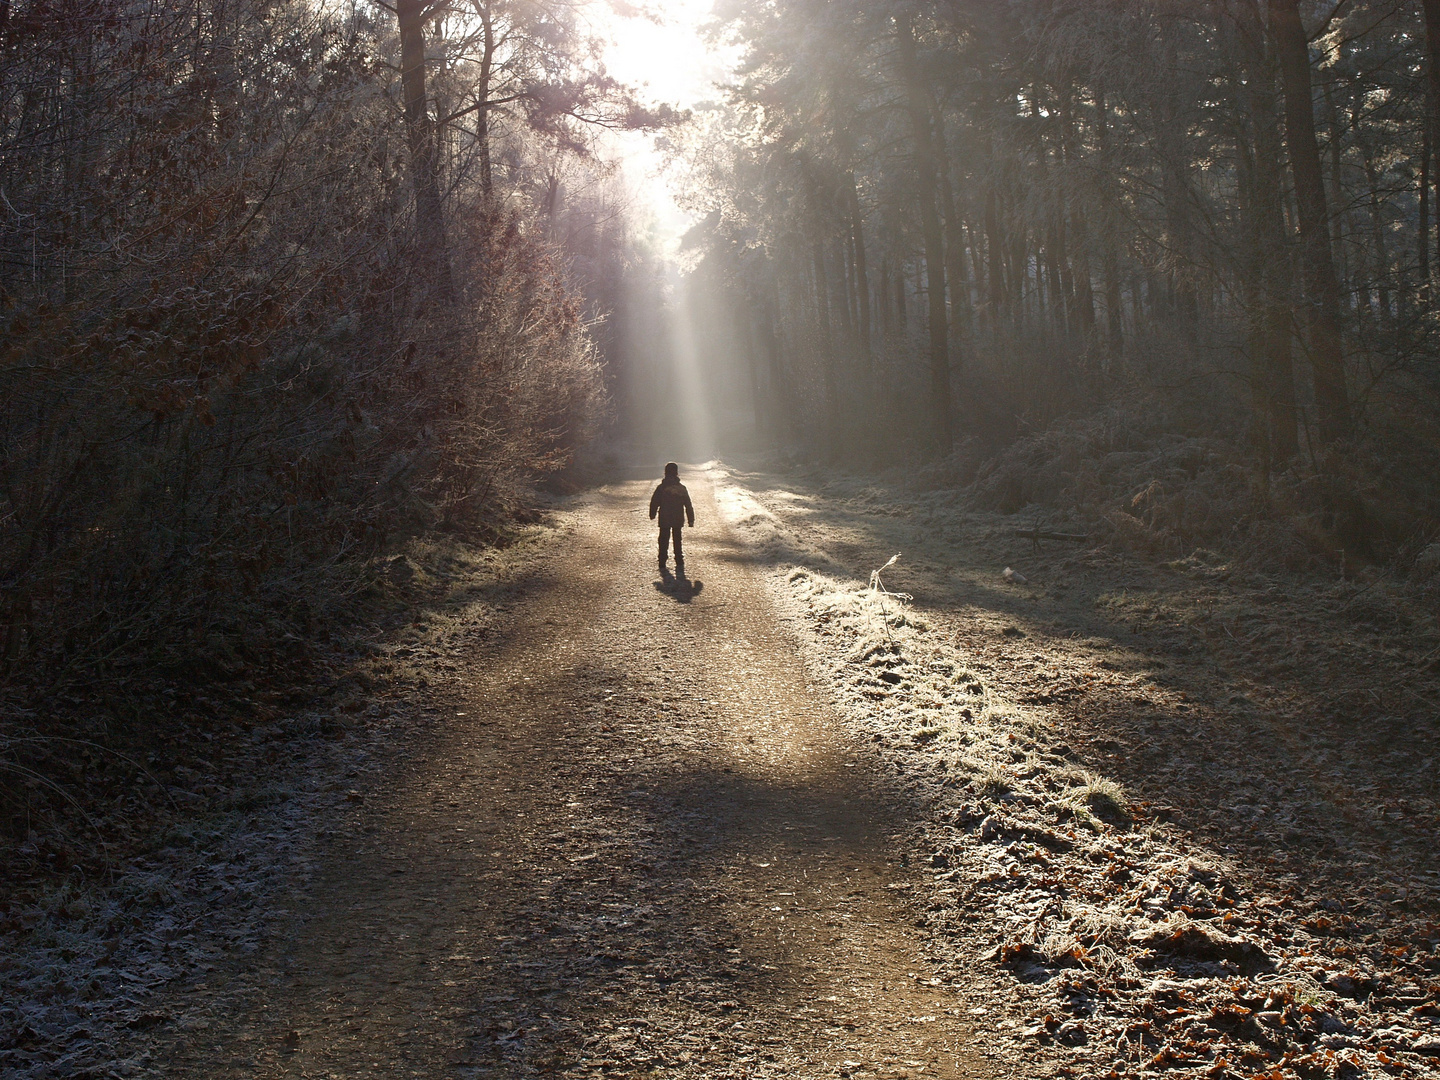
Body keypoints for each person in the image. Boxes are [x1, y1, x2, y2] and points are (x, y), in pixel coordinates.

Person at [649, 462, 695, 578]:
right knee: (677, 539)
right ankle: (679, 560)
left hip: (664, 517)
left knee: (663, 539)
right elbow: (688, 504)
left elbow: (654, 501)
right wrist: (691, 519)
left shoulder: (661, 488)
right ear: (677, 473)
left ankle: (662, 561)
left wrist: (652, 513)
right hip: (678, 518)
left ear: (665, 473)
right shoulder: (681, 488)